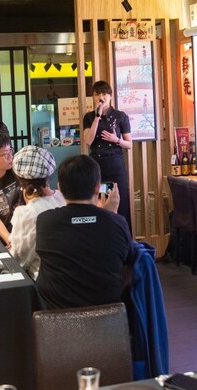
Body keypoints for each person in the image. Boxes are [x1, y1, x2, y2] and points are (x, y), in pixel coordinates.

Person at [35, 154, 133, 309]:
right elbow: (129, 257)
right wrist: (111, 215)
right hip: (108, 316)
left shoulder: (45, 221)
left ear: (60, 187)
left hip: (56, 316)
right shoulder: (117, 222)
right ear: (97, 187)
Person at [8, 146, 65, 279]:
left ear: (19, 178)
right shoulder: (64, 197)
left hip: (43, 280)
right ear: (48, 175)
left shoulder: (27, 212)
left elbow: (20, 260)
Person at [82, 80, 133, 228]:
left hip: (115, 166)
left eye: (104, 94)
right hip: (98, 168)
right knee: (100, 203)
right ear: (93, 97)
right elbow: (88, 140)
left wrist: (116, 140)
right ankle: (102, 236)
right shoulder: (89, 117)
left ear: (110, 96)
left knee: (120, 203)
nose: (101, 97)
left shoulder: (120, 116)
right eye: (97, 94)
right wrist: (97, 117)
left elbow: (129, 144)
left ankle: (123, 237)